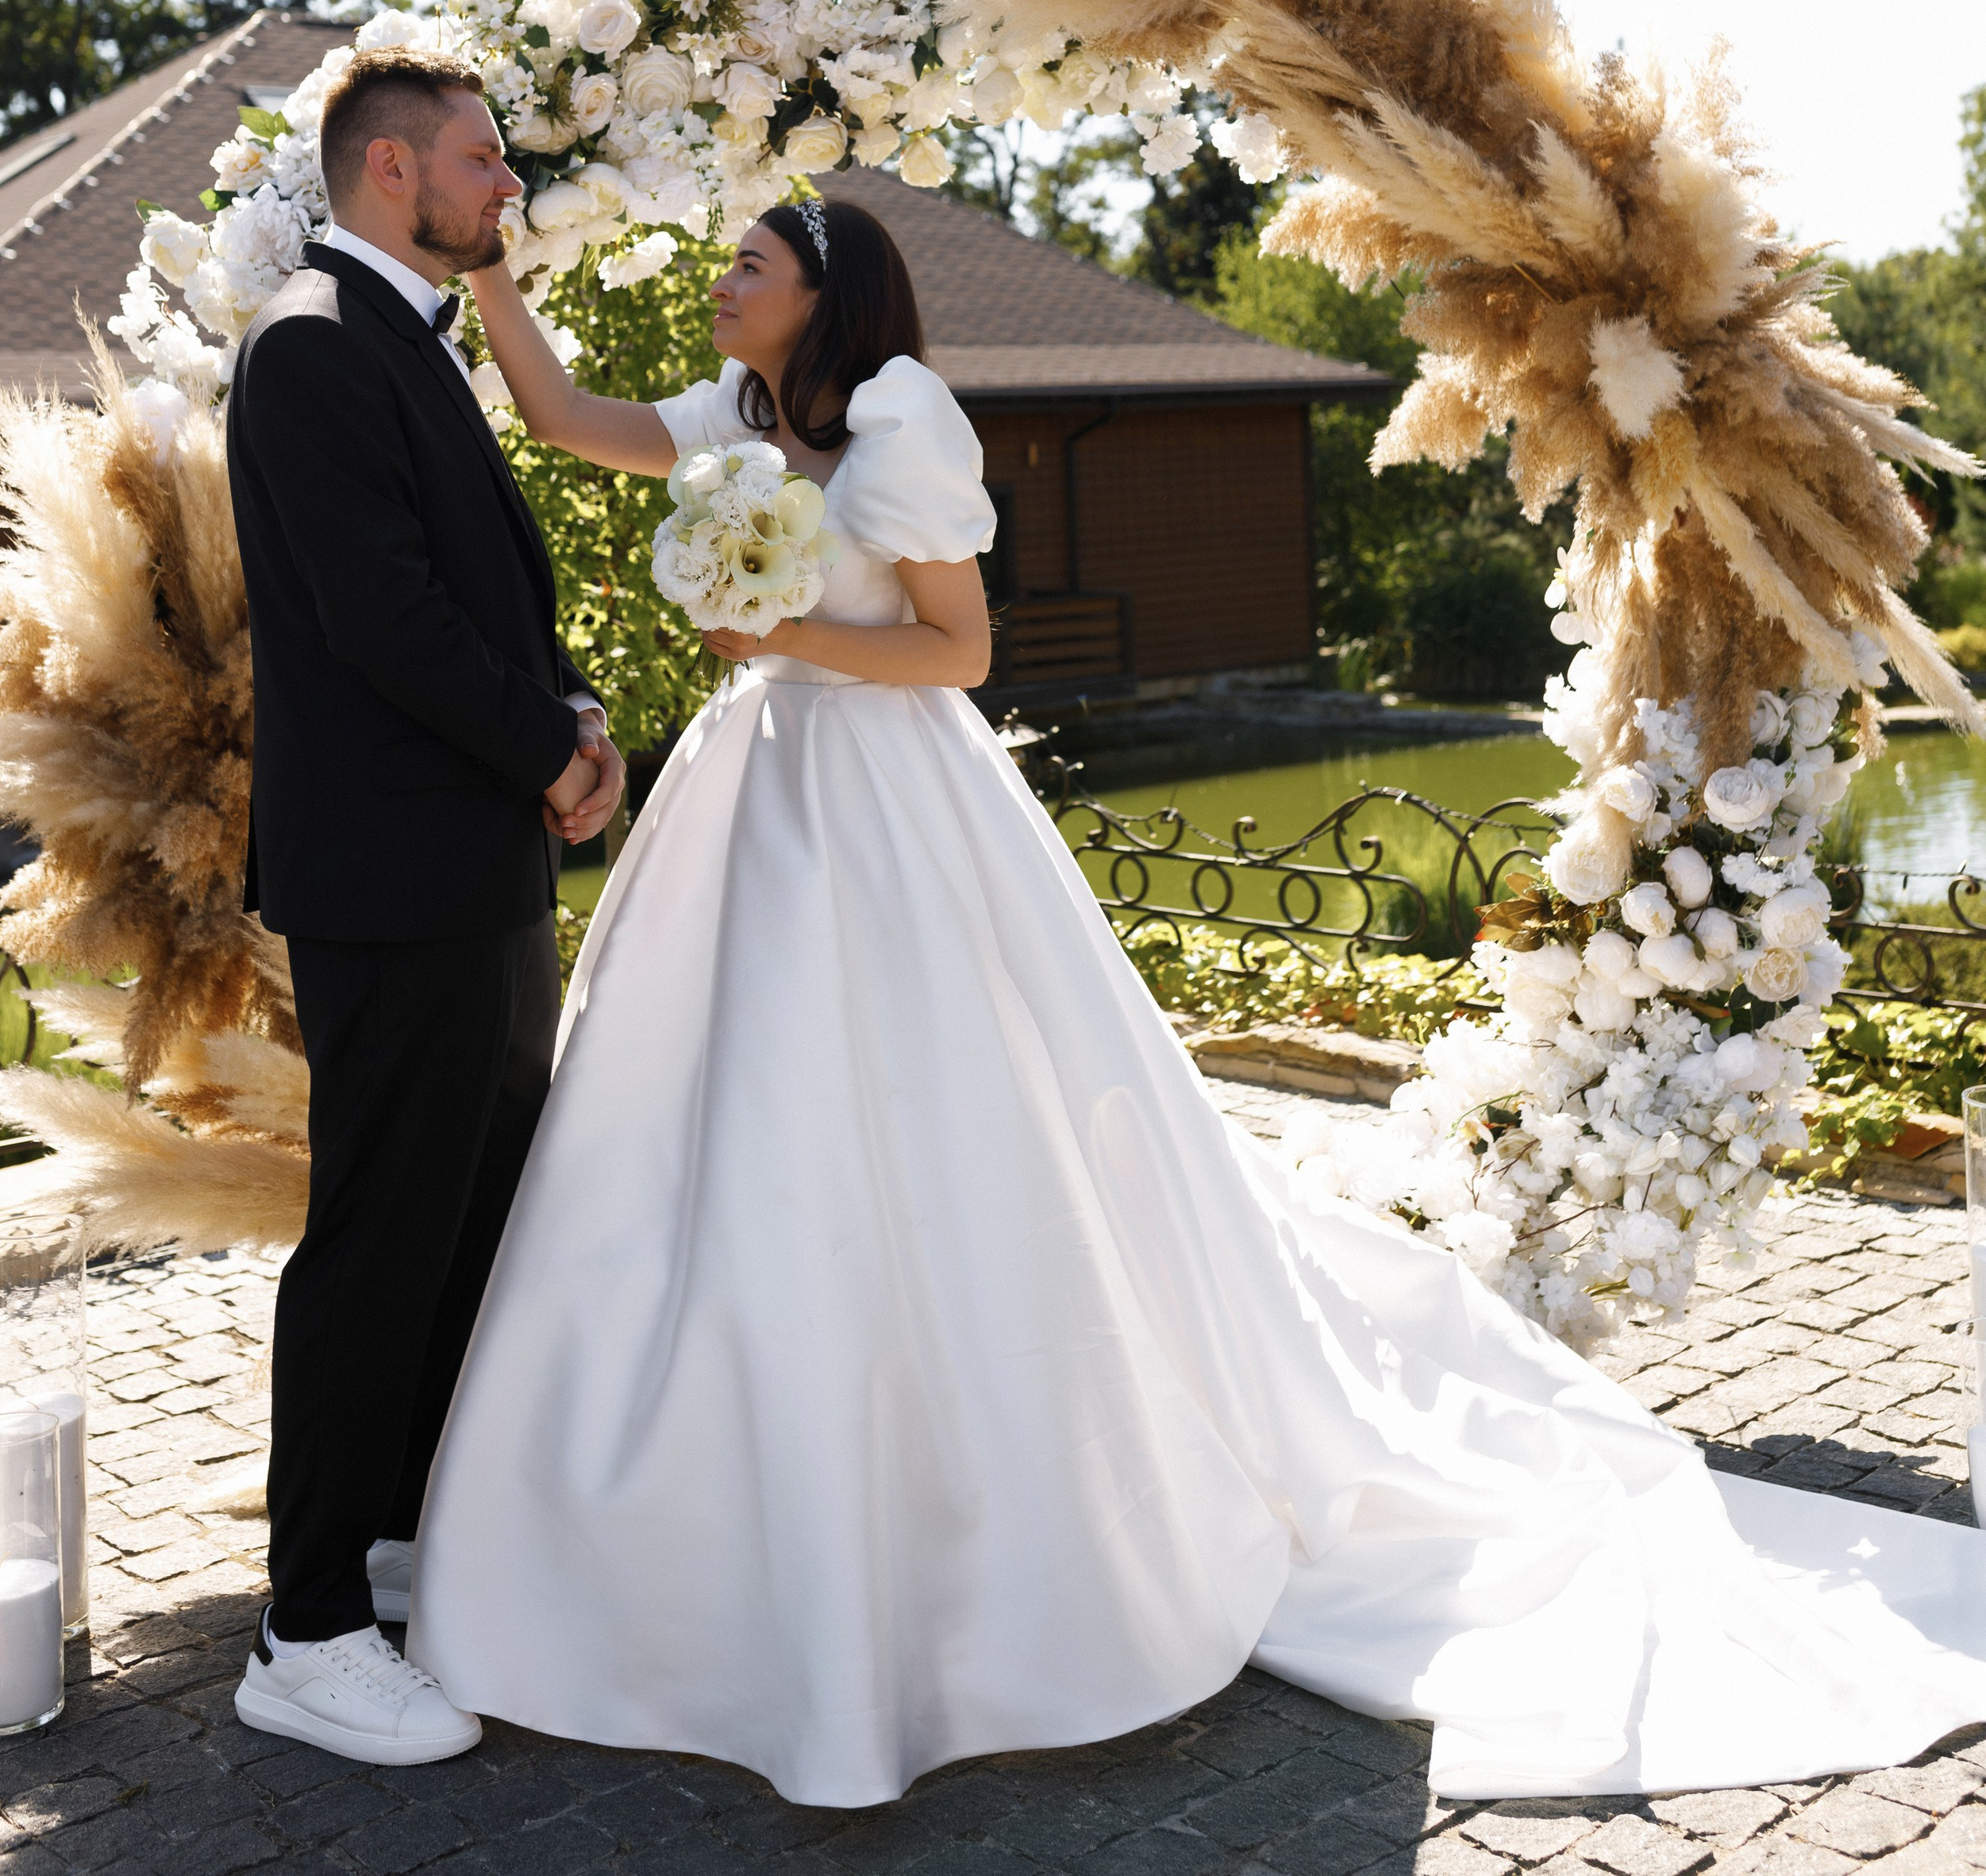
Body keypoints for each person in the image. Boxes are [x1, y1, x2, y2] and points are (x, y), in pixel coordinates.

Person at [409, 194, 1986, 1807]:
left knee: (932, 1129)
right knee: (717, 1137)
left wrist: (783, 629)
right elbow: (554, 416)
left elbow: (955, 651)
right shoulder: (734, 416)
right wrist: (498, 278)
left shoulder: (896, 418)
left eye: (749, 262)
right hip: (750, 802)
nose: (721, 281)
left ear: (825, 298)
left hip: (885, 804)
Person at [223, 49, 626, 1766]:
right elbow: (381, 618)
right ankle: (305, 1629)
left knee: (468, 1219)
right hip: (395, 879)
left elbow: (466, 585)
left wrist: (572, 713)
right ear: (388, 172)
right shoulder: (313, 349)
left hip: (466, 862)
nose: (503, 189)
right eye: (481, 161)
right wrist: (542, 749)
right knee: (380, 1235)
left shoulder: (397, 341)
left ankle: (397, 1542)